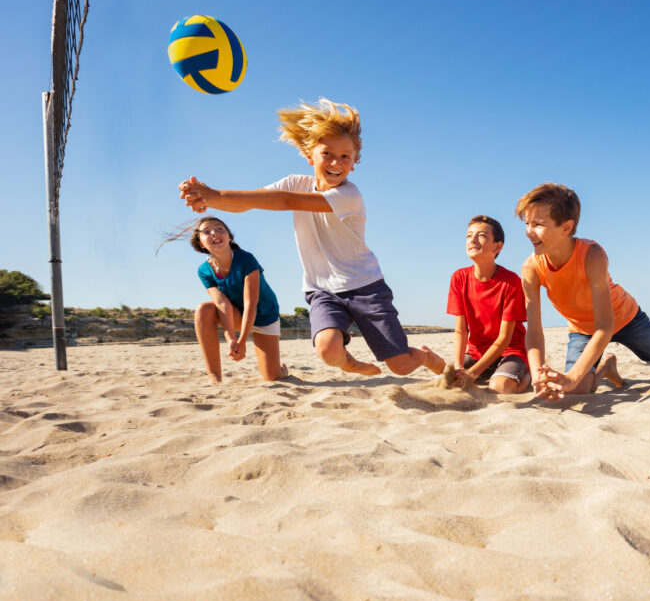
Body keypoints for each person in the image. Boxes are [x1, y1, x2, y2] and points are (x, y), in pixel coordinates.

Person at [178, 98, 444, 379]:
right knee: (328, 350)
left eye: (345, 157)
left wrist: (215, 196)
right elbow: (251, 202)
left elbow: (283, 201)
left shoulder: (348, 195)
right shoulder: (296, 182)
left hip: (366, 286)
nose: (336, 163)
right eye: (327, 153)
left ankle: (426, 355)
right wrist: (209, 199)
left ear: (354, 163)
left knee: (401, 367)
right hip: (322, 290)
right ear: (309, 155)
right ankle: (348, 362)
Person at [517, 183, 650, 399]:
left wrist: (572, 376)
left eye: (538, 224)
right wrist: (538, 375)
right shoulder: (531, 267)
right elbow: (535, 331)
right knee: (577, 391)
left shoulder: (591, 255)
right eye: (527, 223)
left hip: (625, 318)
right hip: (582, 329)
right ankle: (606, 369)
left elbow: (605, 326)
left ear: (566, 227)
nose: (529, 232)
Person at [190, 216, 287, 384]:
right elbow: (222, 304)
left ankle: (282, 369)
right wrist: (231, 340)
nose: (214, 233)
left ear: (229, 236)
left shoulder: (246, 259)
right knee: (203, 310)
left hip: (264, 316)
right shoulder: (204, 270)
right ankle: (214, 377)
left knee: (272, 377)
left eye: (220, 229)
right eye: (207, 232)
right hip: (237, 316)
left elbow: (251, 303)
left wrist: (242, 341)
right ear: (200, 242)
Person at [446, 215, 532, 393]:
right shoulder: (459, 278)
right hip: (477, 353)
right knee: (449, 382)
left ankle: (527, 375)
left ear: (497, 246)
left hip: (510, 351)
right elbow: (461, 330)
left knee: (499, 388)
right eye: (469, 236)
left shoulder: (511, 282)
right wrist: (460, 366)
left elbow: (504, 339)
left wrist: (473, 373)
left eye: (481, 235)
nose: (472, 240)